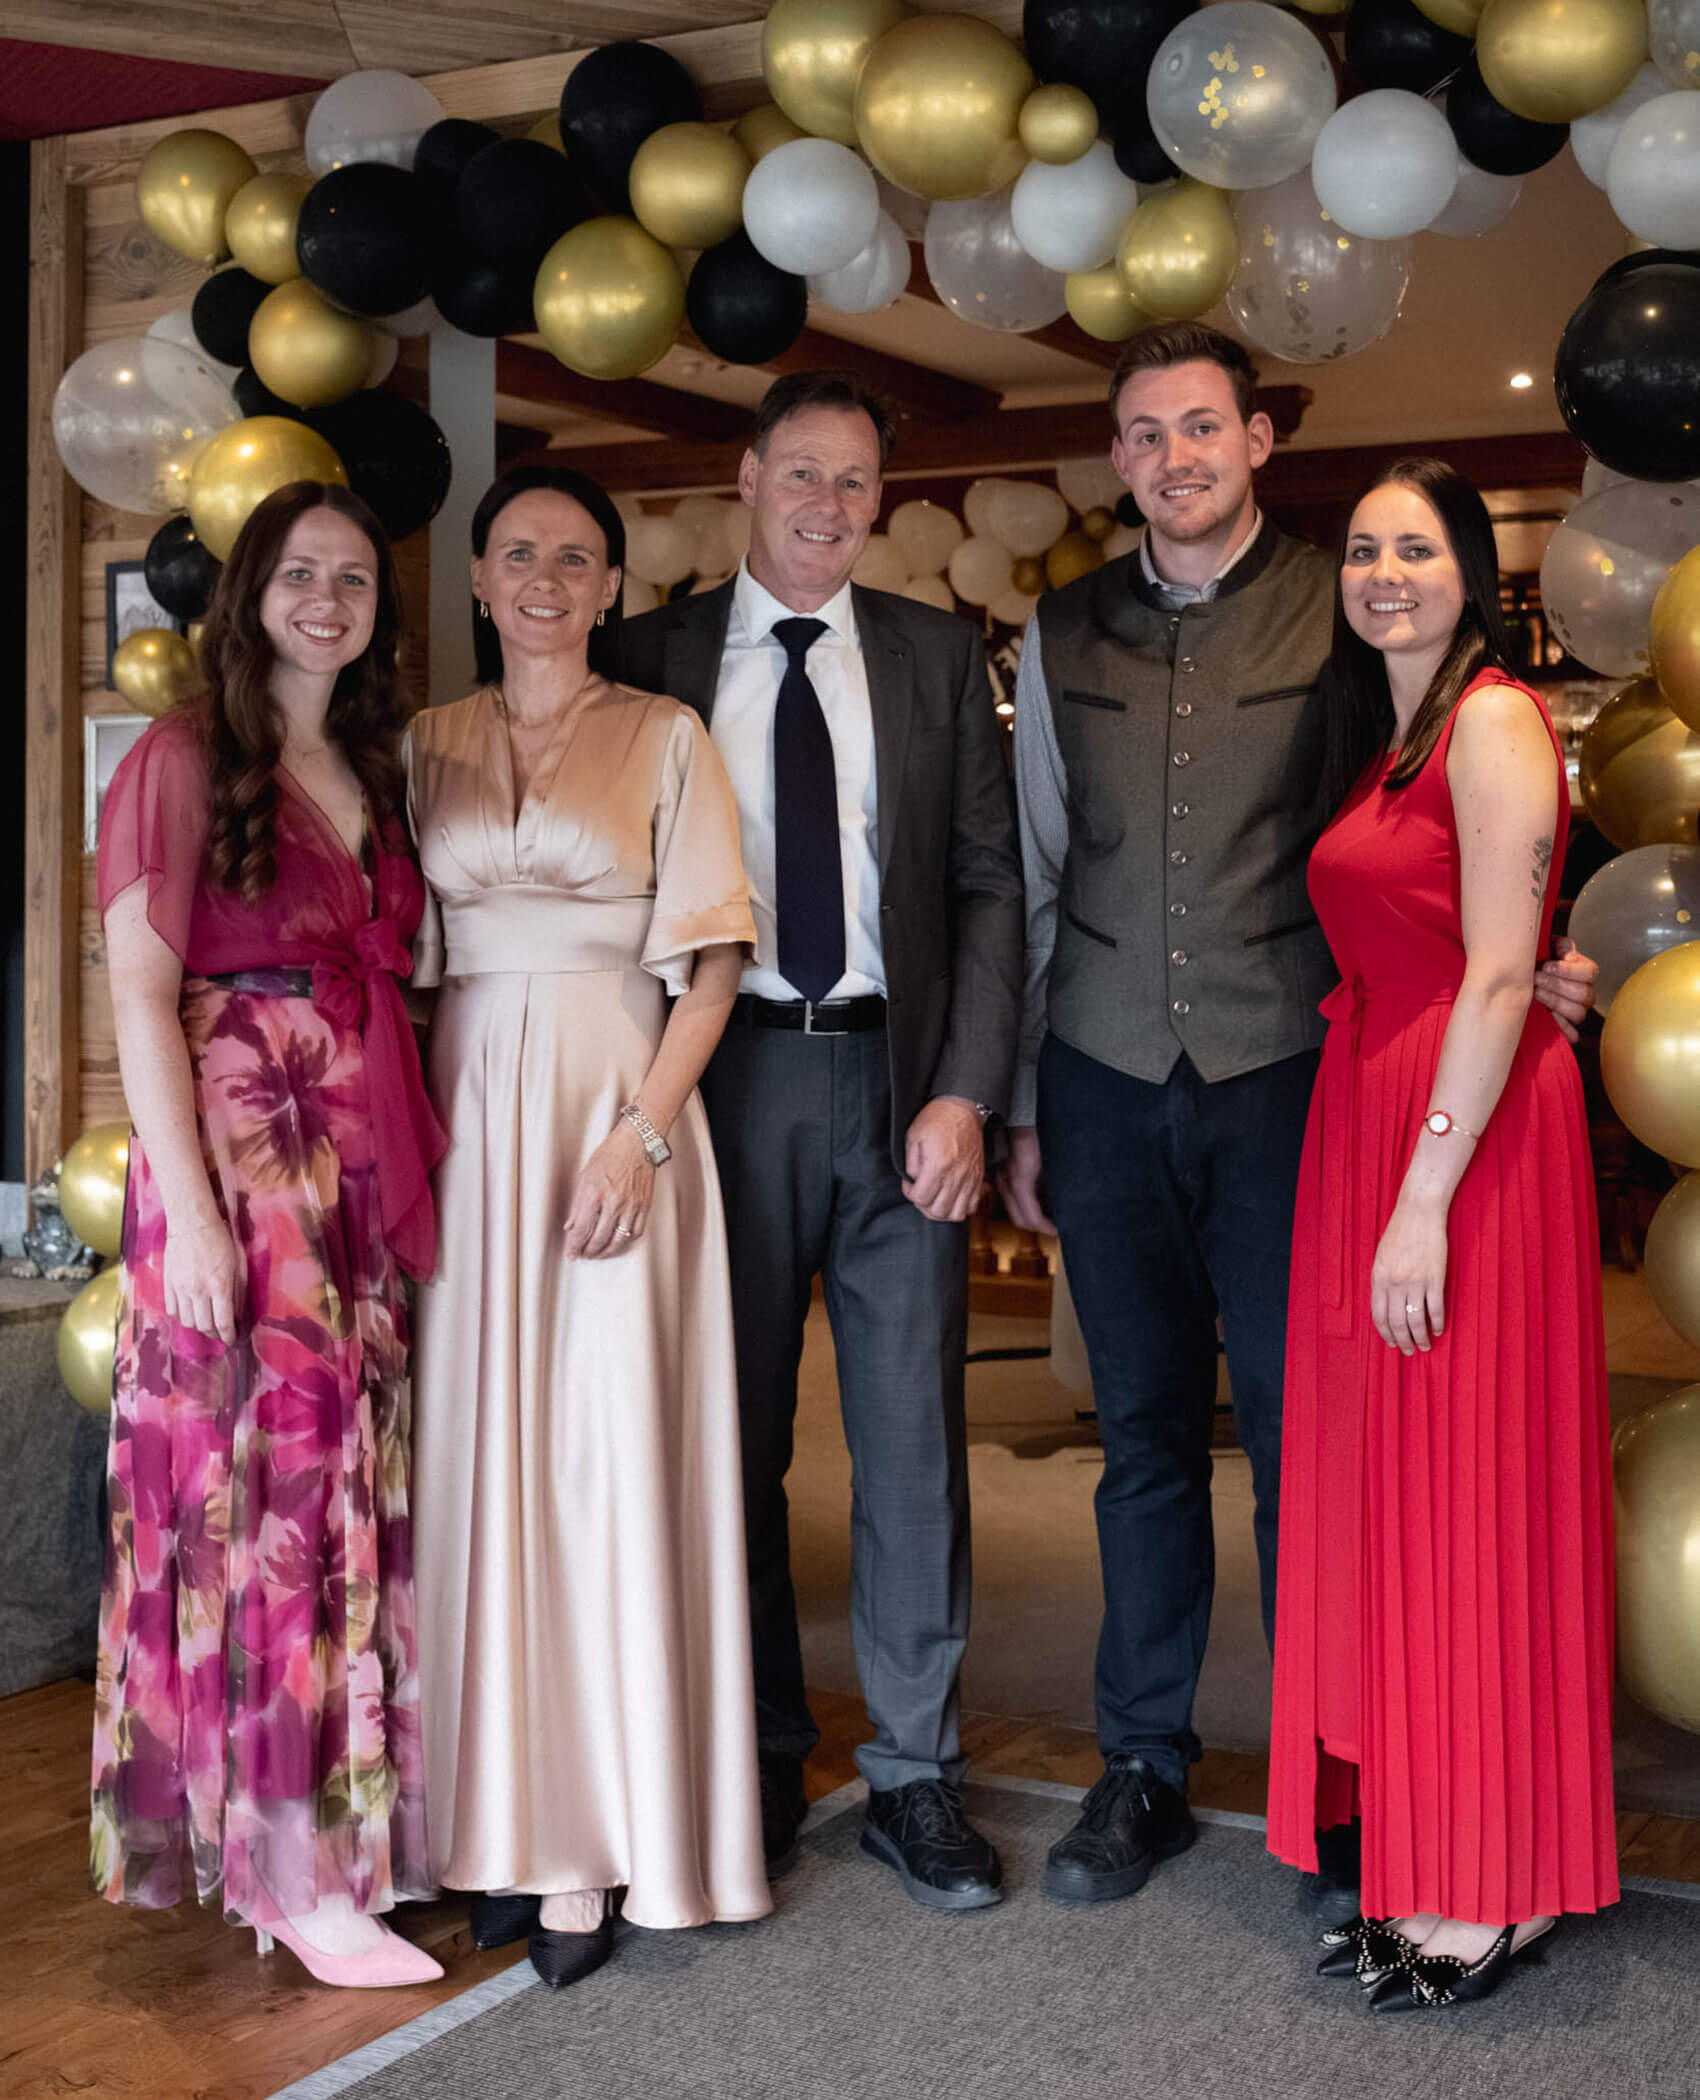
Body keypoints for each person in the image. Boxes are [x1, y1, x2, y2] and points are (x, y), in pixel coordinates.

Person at [997, 322, 1596, 1911]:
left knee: (1308, 1447)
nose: (1174, 460)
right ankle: (1141, 1766)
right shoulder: (1059, 632)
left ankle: (1336, 1781)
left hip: (1293, 1093)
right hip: (1105, 1081)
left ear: (1256, 440)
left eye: (1202, 429)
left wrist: (1529, 958)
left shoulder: (1345, 610)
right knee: (1136, 1443)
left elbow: (1425, 820)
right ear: (1118, 457)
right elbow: (1041, 879)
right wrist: (1023, 1104)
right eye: (1144, 436)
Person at [620, 371, 1024, 1911]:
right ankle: (760, 1756)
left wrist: (967, 1092)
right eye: (803, 474)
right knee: (732, 1443)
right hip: (717, 1092)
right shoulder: (647, 655)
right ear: (746, 475)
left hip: (896, 1082)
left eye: (855, 483)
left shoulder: (931, 652)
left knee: (913, 1451)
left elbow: (991, 884)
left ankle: (916, 1779)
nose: (827, 507)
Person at [406, 464, 769, 1991]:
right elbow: (400, 971)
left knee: (606, 1467)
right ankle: (486, 1821)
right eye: (518, 554)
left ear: (613, 586)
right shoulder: (422, 744)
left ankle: (606, 1848)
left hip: (617, 1116)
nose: (546, 575)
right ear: (481, 582)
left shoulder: (667, 735)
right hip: (465, 1124)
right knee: (478, 1461)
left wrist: (641, 1134)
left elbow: (714, 970)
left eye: (576, 556)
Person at [1268, 459, 1618, 2010]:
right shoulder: (1387, 730)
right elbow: (1487, 946)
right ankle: (1440, 1848)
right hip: (1391, 1105)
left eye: (1417, 546)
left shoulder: (1488, 716)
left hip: (1455, 1144)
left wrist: (1420, 1199)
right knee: (1407, 1497)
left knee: (1469, 1494)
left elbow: (1492, 978)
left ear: (1473, 571)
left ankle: (1499, 1885)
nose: (1385, 570)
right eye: (1362, 548)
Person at [93, 481, 447, 1988]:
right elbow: (136, 992)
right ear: (251, 593)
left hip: (358, 1145)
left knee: (349, 1481)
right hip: (245, 1149)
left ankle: (341, 1837)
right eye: (301, 574)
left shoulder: (370, 758)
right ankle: (285, 1865)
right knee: (271, 1497)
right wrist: (186, 1209)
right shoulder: (183, 757)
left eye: (355, 580)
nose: (329, 599)